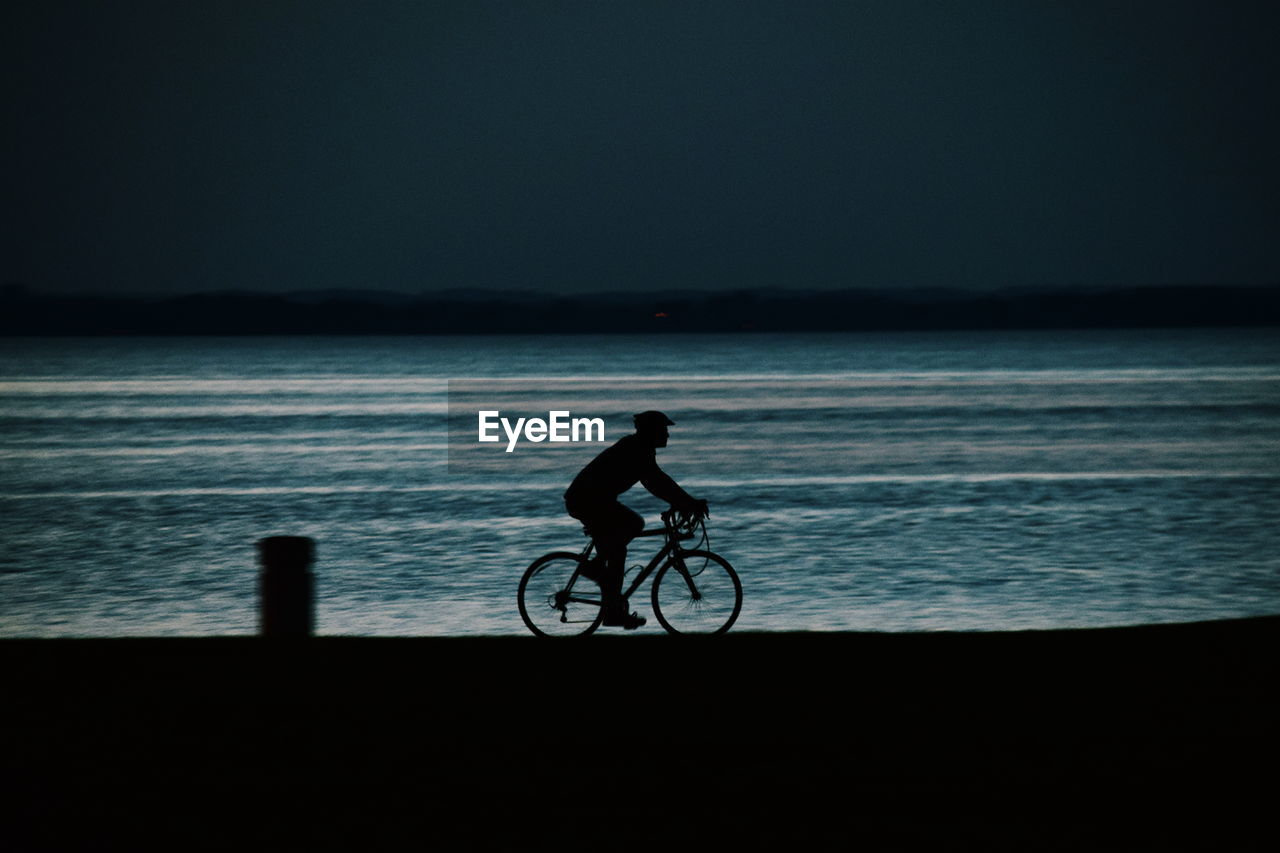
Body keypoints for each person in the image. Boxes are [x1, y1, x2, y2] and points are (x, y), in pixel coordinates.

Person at [564, 410, 708, 629]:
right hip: (586, 501)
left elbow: (658, 482)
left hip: (595, 500)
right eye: (663, 430)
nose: (667, 435)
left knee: (617, 549)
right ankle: (599, 580)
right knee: (628, 532)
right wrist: (688, 503)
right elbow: (657, 482)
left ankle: (609, 602)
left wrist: (683, 502)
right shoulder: (637, 450)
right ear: (651, 431)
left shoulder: (641, 448)